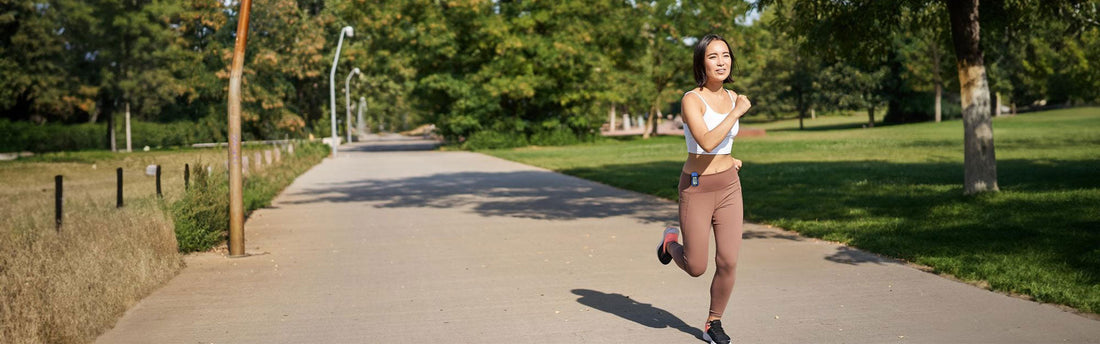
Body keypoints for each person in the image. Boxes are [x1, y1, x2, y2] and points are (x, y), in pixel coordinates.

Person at [656, 33, 750, 344]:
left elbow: (723, 144)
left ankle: (714, 322)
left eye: (726, 55)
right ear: (701, 63)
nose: (721, 61)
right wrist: (736, 112)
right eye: (713, 56)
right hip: (696, 188)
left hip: (728, 187)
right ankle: (670, 243)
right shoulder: (691, 100)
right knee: (696, 266)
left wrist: (730, 159)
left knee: (728, 261)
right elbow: (706, 141)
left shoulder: (733, 96)